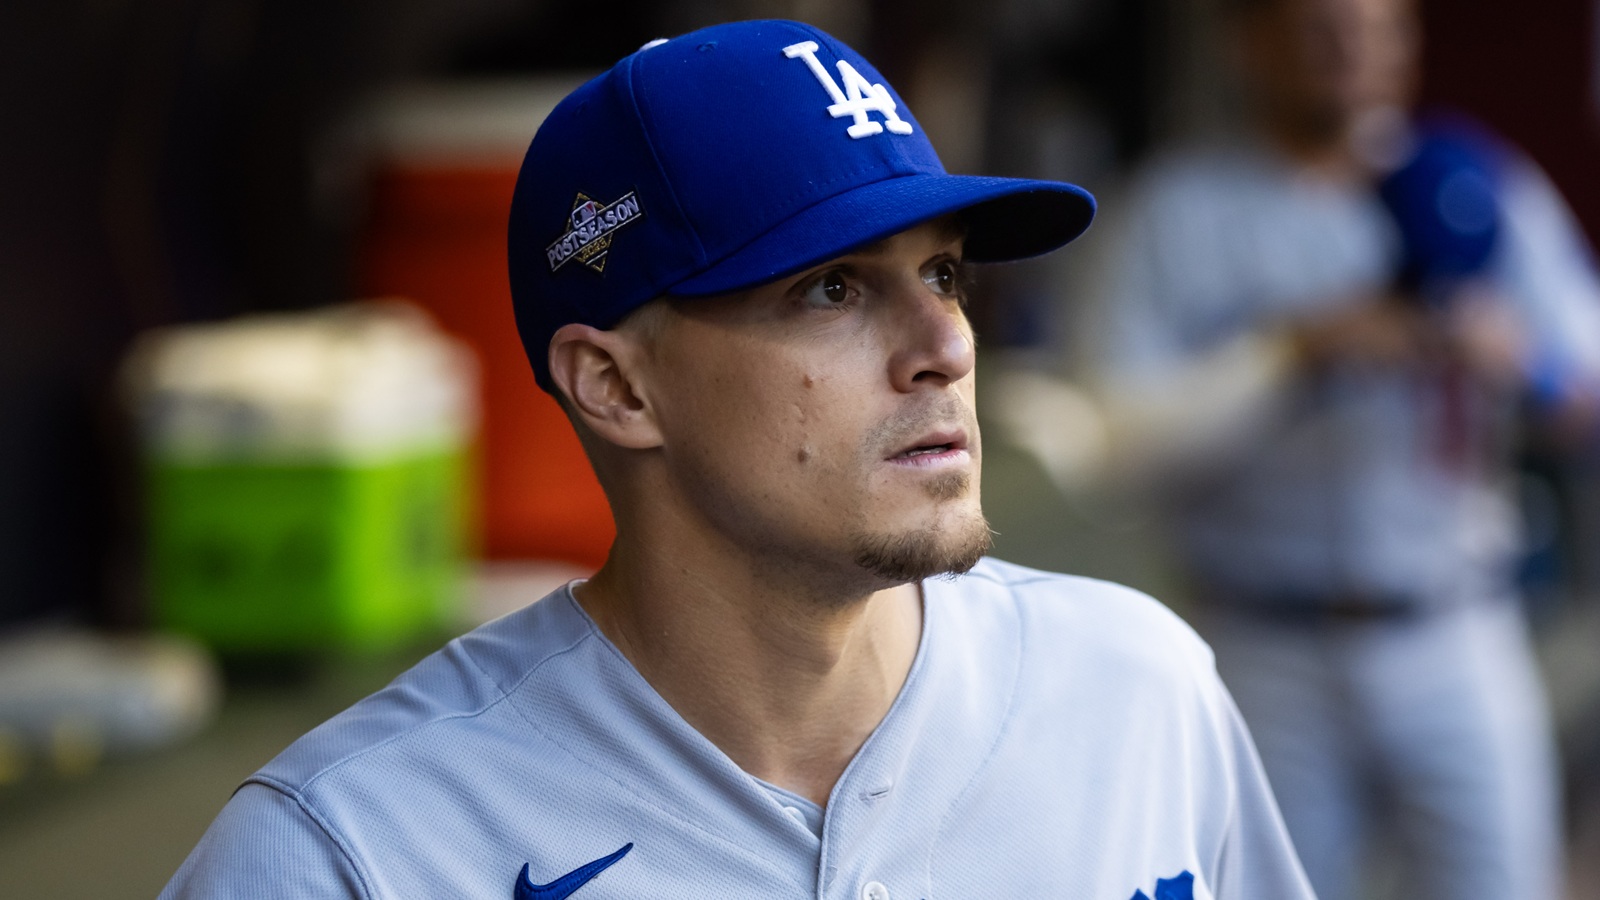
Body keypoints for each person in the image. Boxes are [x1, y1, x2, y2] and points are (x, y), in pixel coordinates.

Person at [162, 20, 1314, 899]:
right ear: (615, 386)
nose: (946, 346)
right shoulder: (352, 850)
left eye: (946, 274)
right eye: (832, 287)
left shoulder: (1138, 689)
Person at [1070, 0, 1600, 897]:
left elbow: (1585, 393)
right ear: (1251, 42)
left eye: (1376, 25)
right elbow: (1111, 446)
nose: (1352, 50)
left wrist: (1519, 357)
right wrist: (1292, 354)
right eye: (1321, 26)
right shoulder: (1178, 207)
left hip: (1453, 621)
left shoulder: (1478, 182)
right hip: (1261, 633)